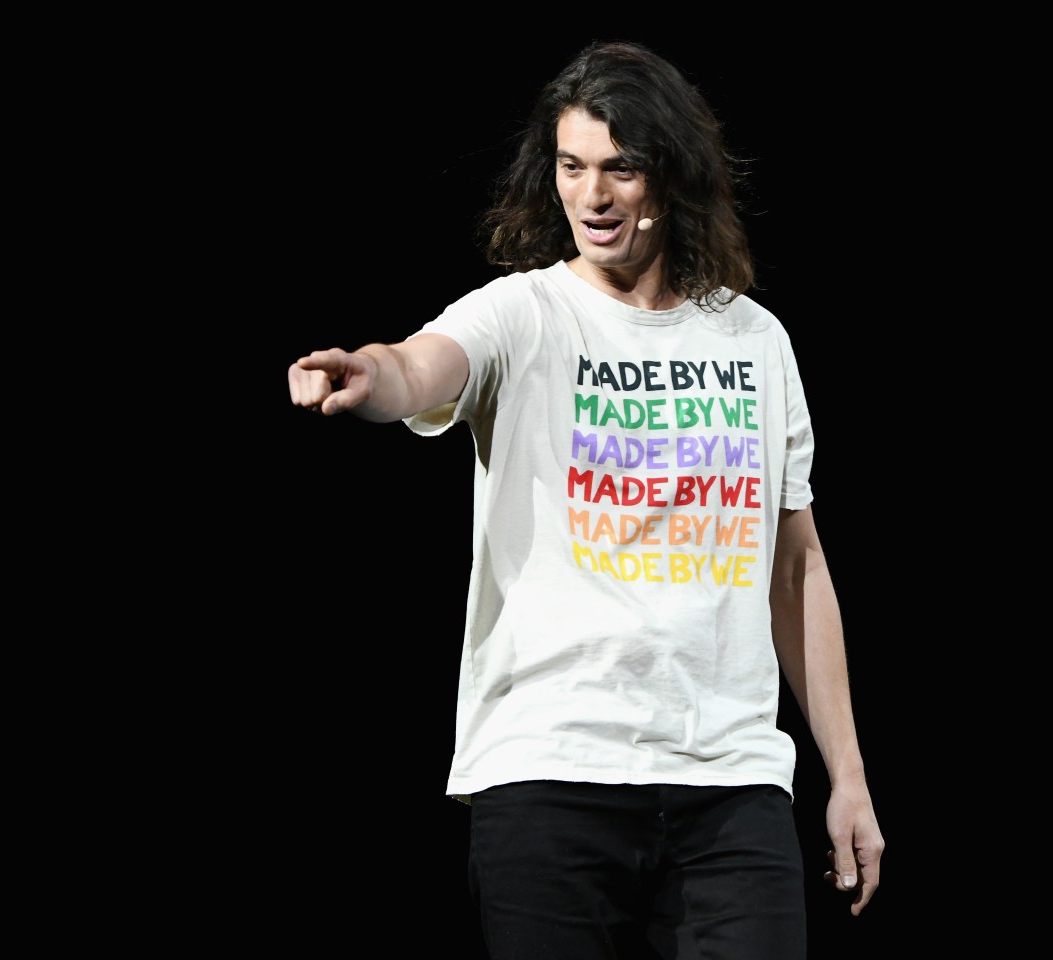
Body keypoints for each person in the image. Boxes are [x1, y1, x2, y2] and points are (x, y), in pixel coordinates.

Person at [287, 39, 883, 958]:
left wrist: (847, 774)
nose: (591, 197)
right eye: (571, 167)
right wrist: (368, 373)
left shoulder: (755, 341)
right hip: (552, 769)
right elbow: (419, 363)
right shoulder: (524, 313)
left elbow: (796, 566)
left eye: (619, 169)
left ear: (672, 177)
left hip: (731, 783)